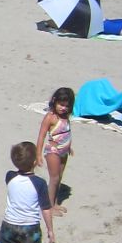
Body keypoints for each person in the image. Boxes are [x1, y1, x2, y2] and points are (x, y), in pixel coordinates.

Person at [35, 86, 74, 216]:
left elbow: (66, 132)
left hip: (64, 150)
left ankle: (55, 202)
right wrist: (38, 154)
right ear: (55, 101)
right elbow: (41, 136)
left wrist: (69, 147)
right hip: (53, 150)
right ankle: (49, 206)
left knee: (60, 177)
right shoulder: (50, 117)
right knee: (54, 178)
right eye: (61, 105)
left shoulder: (65, 116)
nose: (63, 108)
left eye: (66, 106)